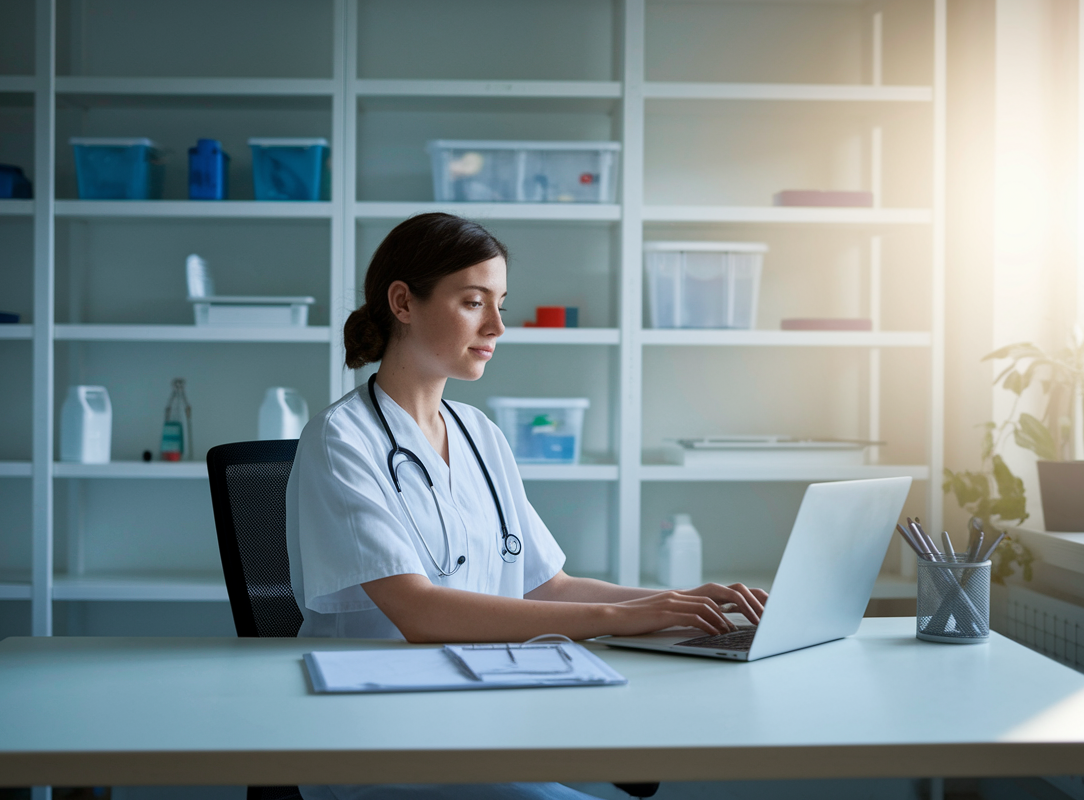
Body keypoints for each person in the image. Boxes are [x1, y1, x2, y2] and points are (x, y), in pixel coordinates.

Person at [286, 213, 767, 800]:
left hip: (486, 716)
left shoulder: (479, 433)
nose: (496, 326)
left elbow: (548, 587)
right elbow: (419, 612)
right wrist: (619, 620)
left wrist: (675, 604)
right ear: (403, 303)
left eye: (501, 305)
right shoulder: (341, 438)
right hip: (384, 739)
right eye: (473, 302)